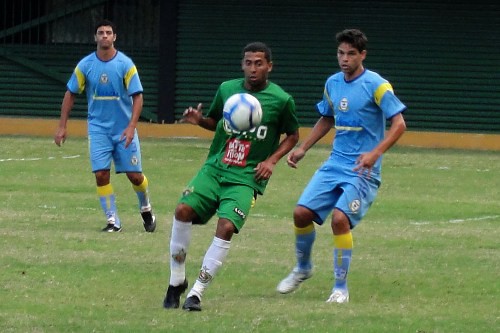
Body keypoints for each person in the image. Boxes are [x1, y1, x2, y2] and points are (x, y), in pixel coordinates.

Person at [163, 42, 300, 311]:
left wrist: (271, 160)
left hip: (247, 177)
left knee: (226, 227)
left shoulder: (281, 100)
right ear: (242, 64)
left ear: (269, 66)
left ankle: (196, 293)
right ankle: (176, 280)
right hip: (215, 168)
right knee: (182, 210)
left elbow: (293, 135)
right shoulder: (227, 89)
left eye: (259, 63)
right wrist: (199, 120)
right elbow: (215, 121)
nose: (253, 69)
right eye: (248, 63)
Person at [276, 29, 407, 303]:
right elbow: (327, 118)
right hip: (336, 162)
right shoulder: (333, 83)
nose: (344, 59)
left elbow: (399, 124)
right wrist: (302, 149)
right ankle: (303, 268)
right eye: (340, 53)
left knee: (339, 219)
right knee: (300, 213)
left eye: (350, 54)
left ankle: (340, 288)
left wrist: (375, 153)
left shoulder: (377, 85)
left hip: (363, 168)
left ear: (362, 55)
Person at [54, 19, 156, 233]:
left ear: (114, 37)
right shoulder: (85, 65)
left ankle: (145, 207)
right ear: (95, 37)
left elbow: (138, 97)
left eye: (108, 32)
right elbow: (70, 94)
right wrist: (62, 126)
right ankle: (113, 221)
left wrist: (131, 126)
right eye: (100, 33)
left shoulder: (126, 65)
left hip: (123, 129)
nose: (104, 36)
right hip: (98, 128)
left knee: (134, 176)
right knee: (101, 174)